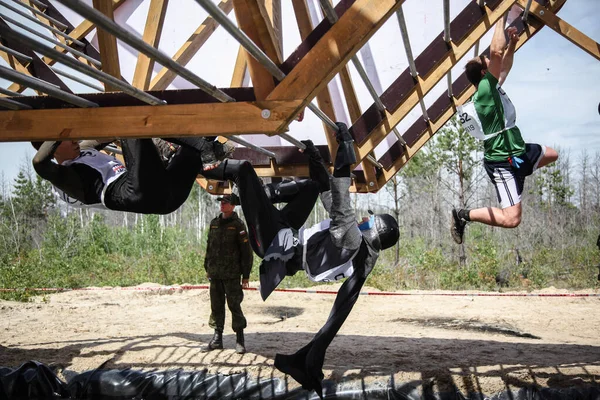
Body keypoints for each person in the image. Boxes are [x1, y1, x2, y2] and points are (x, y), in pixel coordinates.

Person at [202, 123, 399, 398]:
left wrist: (345, 147)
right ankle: (262, 195)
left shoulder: (352, 240)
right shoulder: (358, 251)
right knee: (310, 187)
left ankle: (192, 161)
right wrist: (315, 159)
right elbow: (327, 194)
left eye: (370, 221)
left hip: (274, 243)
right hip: (288, 235)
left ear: (374, 231)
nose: (365, 219)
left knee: (243, 170)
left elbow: (340, 190)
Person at [451, 17, 559, 244]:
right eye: (487, 61)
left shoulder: (492, 86)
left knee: (552, 154)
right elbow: (497, 54)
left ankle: (518, 176)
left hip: (516, 151)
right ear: (483, 73)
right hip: (502, 160)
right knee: (512, 220)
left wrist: (511, 44)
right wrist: (500, 16)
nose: (491, 60)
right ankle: (463, 215)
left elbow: (505, 62)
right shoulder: (484, 91)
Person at [31, 137, 231, 214]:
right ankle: (171, 150)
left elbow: (104, 135)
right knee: (129, 125)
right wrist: (54, 132)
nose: (74, 139)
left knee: (194, 146)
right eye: (66, 139)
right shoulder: (63, 179)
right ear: (53, 148)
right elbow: (39, 163)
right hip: (133, 194)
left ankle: (205, 148)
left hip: (167, 198)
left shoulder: (82, 150)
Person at [204, 193, 253, 354]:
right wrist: (208, 268)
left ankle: (240, 340)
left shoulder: (238, 225)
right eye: (221, 202)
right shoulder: (214, 224)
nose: (222, 205)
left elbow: (246, 252)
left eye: (226, 202)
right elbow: (209, 247)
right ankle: (217, 339)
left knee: (234, 305)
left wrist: (245, 275)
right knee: (216, 306)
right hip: (216, 274)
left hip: (232, 274)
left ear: (233, 206)